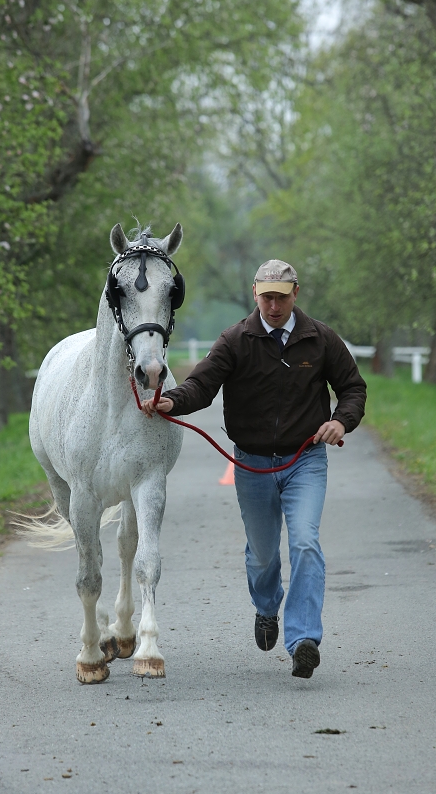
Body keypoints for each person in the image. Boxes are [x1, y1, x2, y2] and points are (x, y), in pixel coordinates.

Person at [142, 259, 366, 679]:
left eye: (282, 297)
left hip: (306, 460)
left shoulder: (319, 339)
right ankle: (266, 608)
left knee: (304, 544)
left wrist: (341, 420)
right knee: (263, 556)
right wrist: (171, 400)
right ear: (254, 293)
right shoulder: (236, 340)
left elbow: (352, 387)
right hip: (252, 463)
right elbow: (201, 386)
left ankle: (303, 640)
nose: (274, 306)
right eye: (267, 297)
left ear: (295, 293)